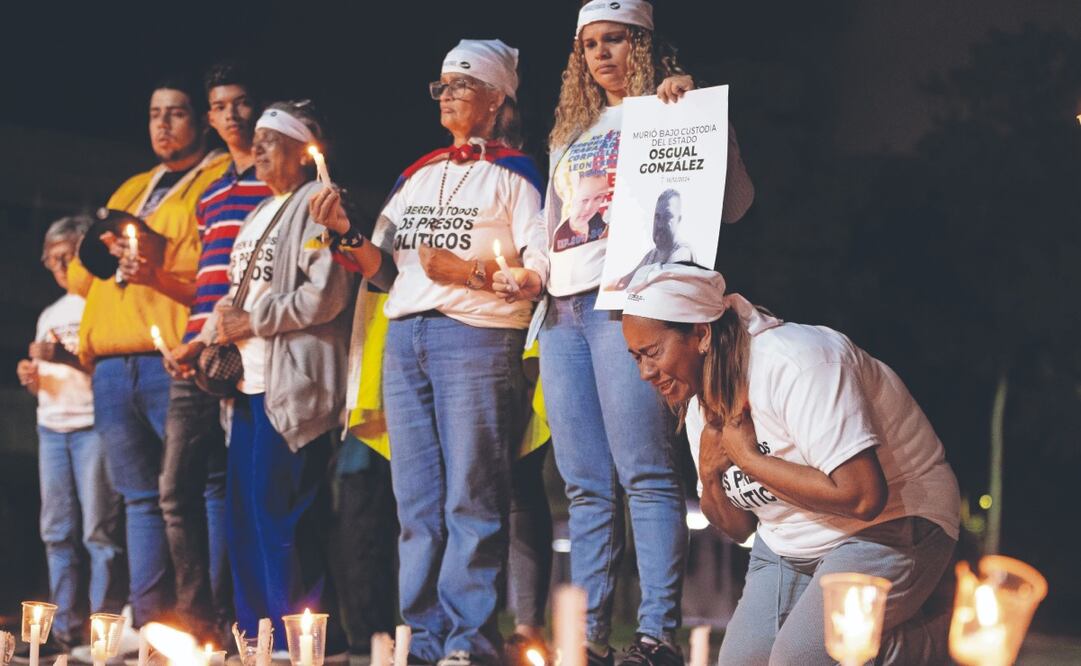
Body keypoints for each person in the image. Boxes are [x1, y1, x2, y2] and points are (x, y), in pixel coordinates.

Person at [510, 2, 754, 664]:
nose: (600, 54)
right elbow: (553, 225)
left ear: (642, 44)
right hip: (562, 312)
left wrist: (703, 117)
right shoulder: (571, 128)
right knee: (584, 483)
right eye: (588, 44)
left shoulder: (674, 108)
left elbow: (732, 205)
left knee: (644, 472)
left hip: (629, 304)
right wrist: (530, 276)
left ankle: (654, 634)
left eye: (614, 40)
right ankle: (584, 636)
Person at [309, 39, 546, 666]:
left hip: (476, 334)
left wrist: (469, 273)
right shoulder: (417, 173)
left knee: (472, 492)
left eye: (461, 85)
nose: (446, 96)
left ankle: (469, 639)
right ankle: (422, 637)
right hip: (407, 335)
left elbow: (537, 270)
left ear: (497, 97)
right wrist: (345, 231)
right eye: (440, 85)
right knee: (415, 503)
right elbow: (381, 268)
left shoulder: (517, 176)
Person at [620, 263, 962, 665]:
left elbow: (864, 496)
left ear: (701, 333)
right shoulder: (699, 403)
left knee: (799, 659)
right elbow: (738, 527)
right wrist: (711, 475)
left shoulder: (798, 363)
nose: (644, 372)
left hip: (890, 523)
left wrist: (748, 458)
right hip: (787, 541)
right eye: (636, 357)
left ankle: (939, 646)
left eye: (653, 353)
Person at [66, 76, 231, 626]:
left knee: (198, 488)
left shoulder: (218, 178)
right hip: (113, 360)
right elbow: (82, 275)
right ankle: (148, 622)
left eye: (176, 113)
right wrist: (104, 246)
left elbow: (212, 269)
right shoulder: (133, 186)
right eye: (155, 114)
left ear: (201, 121)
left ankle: (203, 615)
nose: (163, 124)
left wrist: (155, 261)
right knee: (139, 498)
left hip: (172, 354)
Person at [191, 100, 352, 654]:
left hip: (291, 387)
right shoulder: (259, 213)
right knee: (245, 518)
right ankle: (255, 635)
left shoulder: (317, 202)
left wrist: (251, 320)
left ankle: (302, 640)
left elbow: (326, 294)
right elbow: (241, 297)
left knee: (282, 515)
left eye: (270, 139)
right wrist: (209, 333)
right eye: (255, 139)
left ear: (301, 152)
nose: (256, 149)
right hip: (246, 387)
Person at [160, 60, 272, 643]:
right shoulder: (210, 192)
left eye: (241, 102)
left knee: (232, 489)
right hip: (196, 348)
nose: (232, 114)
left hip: (244, 351)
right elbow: (210, 278)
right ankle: (195, 617)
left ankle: (235, 621)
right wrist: (188, 339)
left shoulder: (276, 181)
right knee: (175, 487)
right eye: (220, 106)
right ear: (209, 118)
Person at [15, 216, 125, 658]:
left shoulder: (103, 301)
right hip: (52, 427)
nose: (60, 265)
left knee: (100, 532)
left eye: (68, 255)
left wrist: (63, 355)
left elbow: (111, 371)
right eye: (53, 257)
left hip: (92, 424)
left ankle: (103, 633)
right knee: (56, 532)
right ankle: (61, 630)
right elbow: (45, 374)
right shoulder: (51, 314)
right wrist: (31, 376)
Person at [605, 189, 691, 291]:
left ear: (679, 220)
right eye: (657, 217)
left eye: (667, 217)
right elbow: (625, 282)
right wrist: (608, 288)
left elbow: (664, 284)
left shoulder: (683, 252)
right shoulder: (652, 254)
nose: (659, 224)